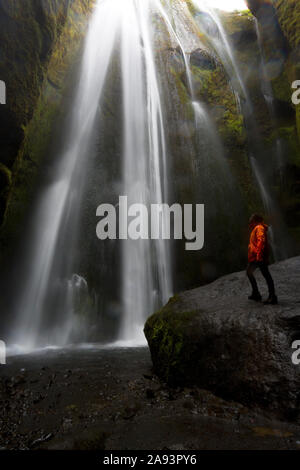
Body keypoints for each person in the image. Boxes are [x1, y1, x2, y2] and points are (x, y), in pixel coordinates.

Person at [247, 214, 278, 305]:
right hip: (256, 257)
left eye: (251, 220)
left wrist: (259, 256)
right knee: (250, 272)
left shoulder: (259, 228)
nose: (250, 222)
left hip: (258, 257)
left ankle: (272, 297)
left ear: (255, 220)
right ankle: (256, 293)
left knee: (266, 275)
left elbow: (262, 241)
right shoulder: (256, 228)